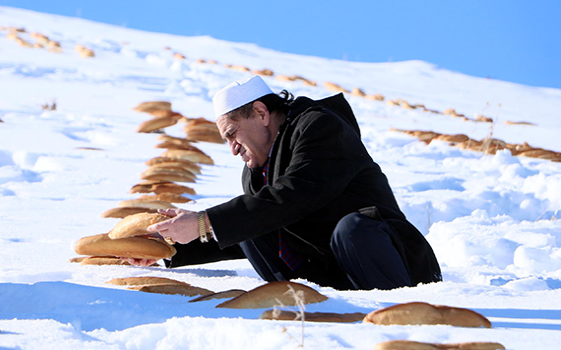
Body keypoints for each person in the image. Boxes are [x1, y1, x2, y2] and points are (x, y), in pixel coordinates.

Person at [128, 75, 441, 290]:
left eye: (232, 134)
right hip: (331, 273)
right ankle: (304, 308)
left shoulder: (319, 126)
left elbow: (296, 194)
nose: (232, 148)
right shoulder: (254, 172)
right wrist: (171, 249)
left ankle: (399, 316)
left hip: (392, 265)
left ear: (261, 112)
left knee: (353, 228)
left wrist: (204, 221)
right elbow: (250, 226)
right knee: (250, 227)